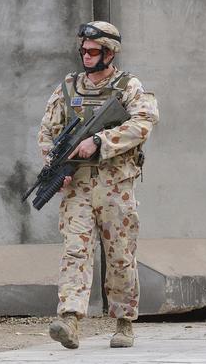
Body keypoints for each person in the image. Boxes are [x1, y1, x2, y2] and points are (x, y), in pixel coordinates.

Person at [37, 21, 159, 349]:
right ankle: (70, 319)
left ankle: (124, 321)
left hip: (115, 185)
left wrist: (100, 140)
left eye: (93, 51)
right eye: (84, 51)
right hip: (77, 185)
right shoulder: (68, 87)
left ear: (109, 52)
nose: (87, 57)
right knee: (75, 250)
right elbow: (48, 131)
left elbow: (144, 122)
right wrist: (54, 165)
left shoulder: (128, 86)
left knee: (120, 255)